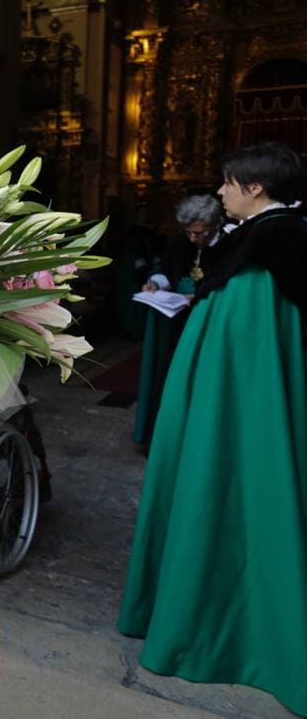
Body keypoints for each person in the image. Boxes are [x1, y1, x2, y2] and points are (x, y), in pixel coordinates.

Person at [118, 142, 307, 716]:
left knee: (227, 484)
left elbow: (246, 347)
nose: (221, 193)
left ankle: (218, 628)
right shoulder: (266, 237)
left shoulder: (269, 242)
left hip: (241, 404)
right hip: (229, 386)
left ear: (254, 188)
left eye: (228, 183)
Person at [131, 194, 224, 448]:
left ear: (215, 226)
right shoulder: (179, 240)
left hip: (209, 319)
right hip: (177, 320)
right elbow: (168, 269)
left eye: (200, 233)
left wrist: (201, 296)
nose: (194, 238)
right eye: (189, 232)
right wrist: (156, 283)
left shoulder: (227, 244)